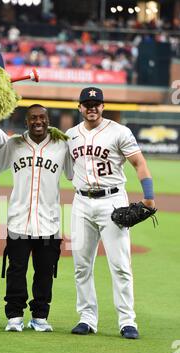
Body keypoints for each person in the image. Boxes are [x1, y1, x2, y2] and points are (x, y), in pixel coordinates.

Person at [66, 87, 156, 339]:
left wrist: (148, 197)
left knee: (120, 265)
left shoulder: (119, 131)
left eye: (96, 103)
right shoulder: (70, 135)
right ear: (79, 107)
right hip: (81, 203)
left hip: (113, 202)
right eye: (87, 103)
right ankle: (87, 318)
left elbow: (139, 163)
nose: (91, 107)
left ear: (103, 106)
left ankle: (127, 321)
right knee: (81, 266)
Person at [0, 105, 73, 332]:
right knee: (16, 270)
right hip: (19, 220)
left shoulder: (62, 145)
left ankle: (40, 316)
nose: (37, 121)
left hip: (49, 221)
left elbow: (74, 174)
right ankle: (14, 316)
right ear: (26, 120)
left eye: (42, 117)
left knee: (45, 271)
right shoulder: (14, 144)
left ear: (48, 119)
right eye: (33, 118)